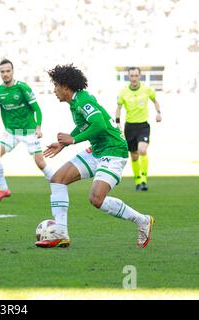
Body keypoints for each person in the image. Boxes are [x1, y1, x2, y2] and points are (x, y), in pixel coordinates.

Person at [36, 64, 154, 249]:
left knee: (96, 199)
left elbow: (98, 124)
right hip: (97, 150)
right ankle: (61, 233)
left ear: (66, 86)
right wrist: (64, 143)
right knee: (58, 180)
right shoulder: (75, 103)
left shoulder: (82, 100)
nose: (54, 90)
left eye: (56, 85)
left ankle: (142, 220)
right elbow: (86, 126)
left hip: (113, 151)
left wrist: (73, 140)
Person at [0, 59, 55, 203]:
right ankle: (3, 189)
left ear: (12, 71)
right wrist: (6, 127)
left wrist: (38, 127)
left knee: (40, 163)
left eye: (8, 71)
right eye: (2, 71)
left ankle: (57, 183)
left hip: (29, 131)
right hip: (11, 132)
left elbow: (36, 109)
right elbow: (3, 110)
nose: (5, 74)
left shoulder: (23, 88)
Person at [116, 67, 162, 191]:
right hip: (130, 126)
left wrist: (158, 113)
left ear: (139, 76)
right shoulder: (123, 92)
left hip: (143, 126)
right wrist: (118, 122)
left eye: (136, 75)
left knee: (142, 150)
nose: (134, 78)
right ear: (129, 77)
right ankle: (137, 181)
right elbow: (119, 108)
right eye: (132, 76)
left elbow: (155, 101)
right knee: (134, 155)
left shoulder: (147, 90)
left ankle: (144, 180)